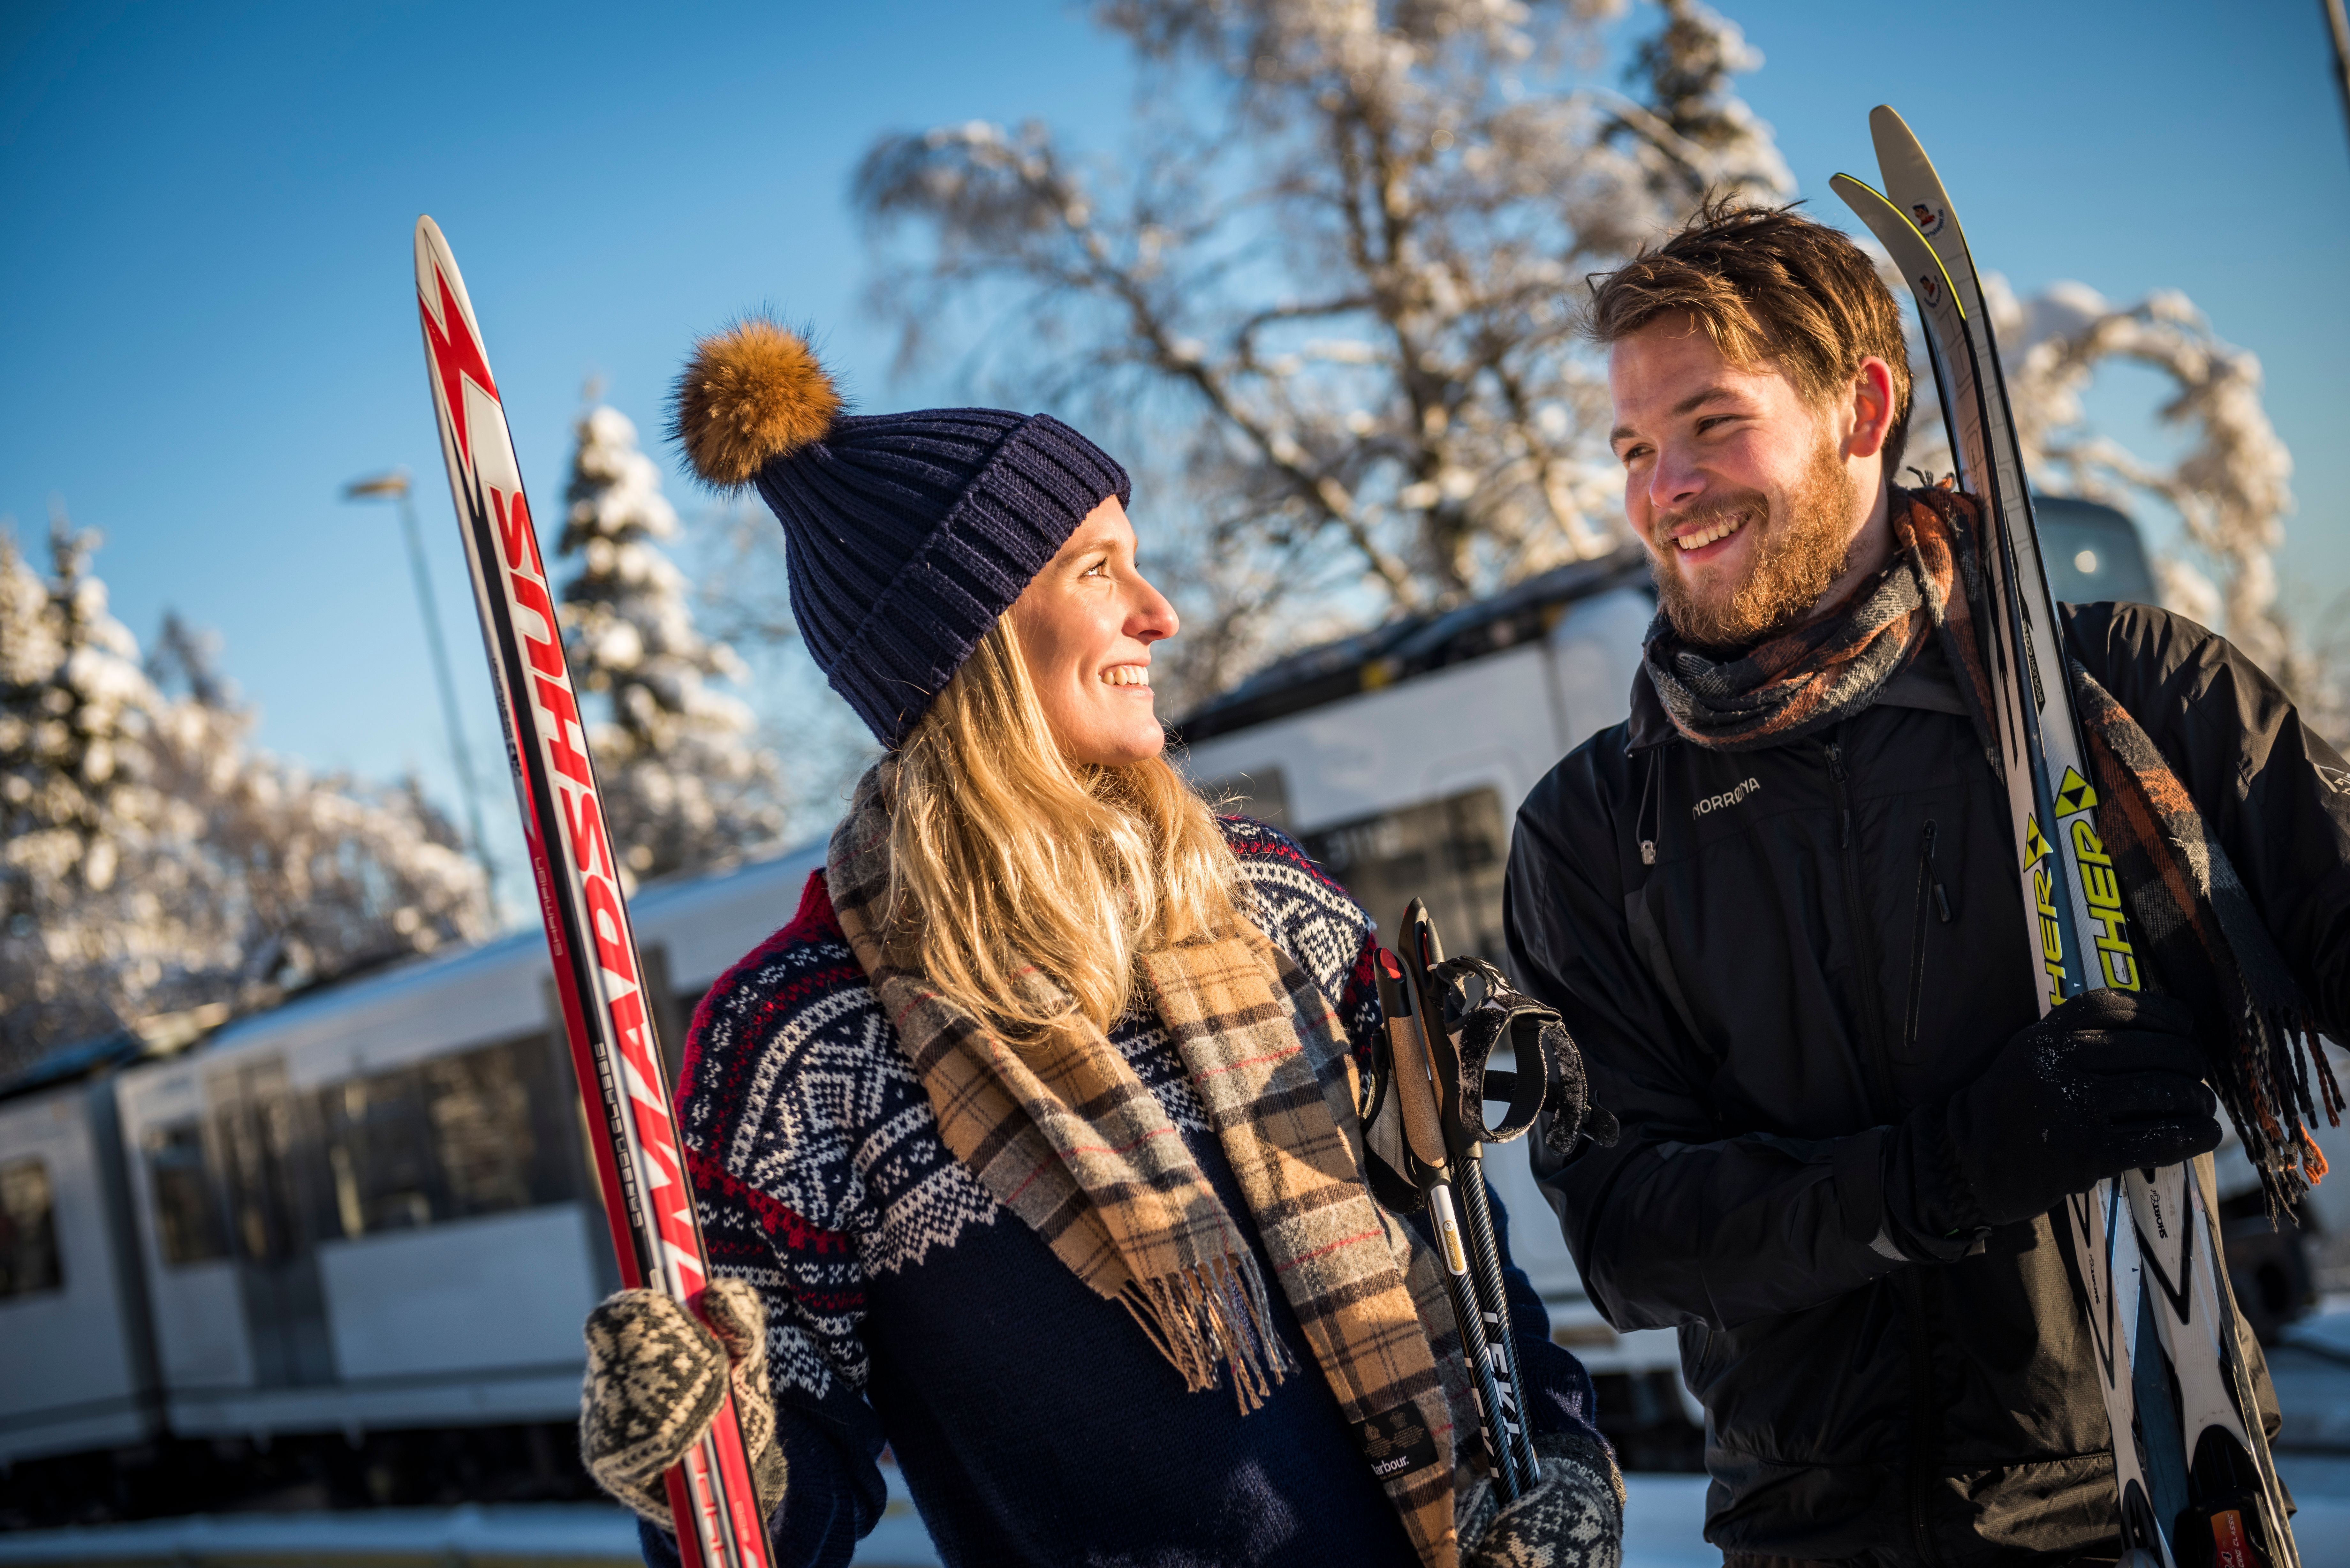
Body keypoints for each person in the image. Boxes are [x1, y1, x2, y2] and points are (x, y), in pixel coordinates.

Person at [575, 318, 1625, 1568]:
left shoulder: (1276, 903)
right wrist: (710, 1444)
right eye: (1096, 571)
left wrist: (1561, 1465)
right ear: (966, 647)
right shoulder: (807, 1040)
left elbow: (1472, 1265)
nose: (1159, 613)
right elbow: (779, 1512)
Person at [1504, 200, 2350, 1565]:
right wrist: (1948, 1169)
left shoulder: (2121, 692)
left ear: (1863, 409)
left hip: (2155, 1482)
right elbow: (1626, 1232)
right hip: (1812, 1531)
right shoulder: (1598, 826)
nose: (1665, 487)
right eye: (1635, 447)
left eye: (1712, 423)